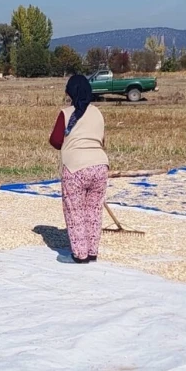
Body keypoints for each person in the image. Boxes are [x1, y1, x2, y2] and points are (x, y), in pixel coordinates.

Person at [49, 75, 109, 264]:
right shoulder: (97, 113)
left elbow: (56, 140)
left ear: (71, 92)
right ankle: (92, 252)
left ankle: (79, 254)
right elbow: (102, 139)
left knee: (75, 211)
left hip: (75, 167)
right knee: (94, 209)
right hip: (100, 165)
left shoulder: (66, 114)